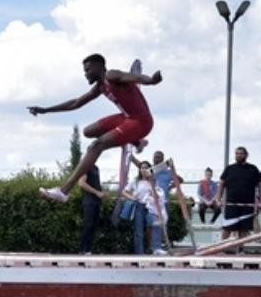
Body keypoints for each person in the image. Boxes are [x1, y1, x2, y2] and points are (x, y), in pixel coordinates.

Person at [29, 55, 162, 203]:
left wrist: (151, 80)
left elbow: (132, 77)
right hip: (127, 117)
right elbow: (75, 103)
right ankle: (137, 142)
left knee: (96, 146)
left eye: (88, 70)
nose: (85, 74)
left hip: (141, 121)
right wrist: (45, 110)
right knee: (89, 131)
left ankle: (64, 191)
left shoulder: (111, 76)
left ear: (99, 67)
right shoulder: (100, 87)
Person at [217, 146, 261, 241]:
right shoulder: (229, 169)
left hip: (247, 205)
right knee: (227, 228)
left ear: (246, 155)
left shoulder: (253, 169)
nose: (238, 155)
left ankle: (241, 250)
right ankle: (222, 250)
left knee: (244, 229)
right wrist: (218, 199)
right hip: (231, 204)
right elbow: (221, 184)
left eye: (241, 153)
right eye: (237, 153)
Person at [123, 160, 167, 255]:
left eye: (146, 167)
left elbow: (158, 194)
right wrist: (132, 198)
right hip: (139, 206)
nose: (144, 169)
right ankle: (140, 252)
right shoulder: (135, 181)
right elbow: (124, 191)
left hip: (150, 207)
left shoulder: (153, 181)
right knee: (138, 230)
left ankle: (156, 248)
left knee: (156, 224)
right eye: (142, 167)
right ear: (139, 170)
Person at [78, 164, 104, 254]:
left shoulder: (96, 168)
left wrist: (101, 193)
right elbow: (81, 183)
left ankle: (88, 250)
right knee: (88, 225)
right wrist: (96, 192)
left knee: (94, 226)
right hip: (89, 200)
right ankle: (82, 249)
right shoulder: (86, 166)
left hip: (97, 201)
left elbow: (95, 183)